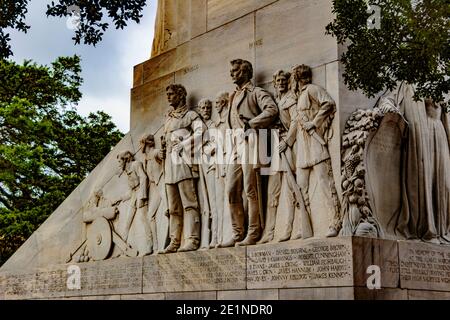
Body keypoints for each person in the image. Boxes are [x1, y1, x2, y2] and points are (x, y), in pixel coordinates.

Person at [219, 59, 278, 247]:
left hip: (250, 143)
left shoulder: (256, 92)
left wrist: (251, 124)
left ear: (245, 72)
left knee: (251, 189)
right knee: (231, 190)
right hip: (235, 146)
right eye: (231, 70)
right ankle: (237, 233)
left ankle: (253, 231)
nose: (232, 74)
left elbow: (272, 109)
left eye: (235, 71)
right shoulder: (231, 96)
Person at [292, 64, 341, 238]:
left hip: (316, 142)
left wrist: (314, 123)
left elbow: (329, 103)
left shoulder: (312, 89)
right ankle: (303, 226)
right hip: (303, 148)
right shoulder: (299, 96)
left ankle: (335, 222)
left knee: (325, 184)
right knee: (300, 188)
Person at [160, 84, 205, 253]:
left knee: (189, 204)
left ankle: (192, 239)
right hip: (169, 165)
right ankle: (174, 240)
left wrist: (184, 144)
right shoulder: (168, 118)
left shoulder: (191, 115)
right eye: (168, 94)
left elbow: (202, 133)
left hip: (184, 163)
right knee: (173, 207)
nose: (169, 97)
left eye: (172, 94)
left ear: (180, 95)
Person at [259, 70, 298, 243]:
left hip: (288, 148)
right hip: (275, 150)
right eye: (278, 80)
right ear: (274, 83)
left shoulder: (291, 100)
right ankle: (270, 233)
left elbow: (296, 121)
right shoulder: (275, 101)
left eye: (284, 80)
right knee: (272, 193)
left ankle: (290, 229)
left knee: (290, 191)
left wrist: (288, 141)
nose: (281, 83)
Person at [140, 133, 168, 254]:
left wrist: (163, 152)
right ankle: (155, 247)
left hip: (162, 182)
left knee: (169, 210)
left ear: (146, 143)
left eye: (141, 143)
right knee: (150, 215)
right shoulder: (145, 158)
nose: (140, 146)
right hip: (155, 186)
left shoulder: (155, 152)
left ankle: (170, 240)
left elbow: (161, 155)